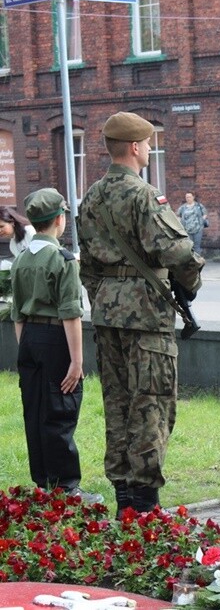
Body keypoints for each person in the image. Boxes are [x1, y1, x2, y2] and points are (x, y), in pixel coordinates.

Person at [77, 111, 204, 516]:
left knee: (117, 405)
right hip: (147, 317)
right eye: (147, 143)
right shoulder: (144, 195)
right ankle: (146, 506)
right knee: (151, 405)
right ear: (134, 147)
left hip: (106, 317)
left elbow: (87, 268)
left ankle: (124, 503)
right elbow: (179, 253)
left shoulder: (91, 198)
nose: (149, 149)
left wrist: (107, 298)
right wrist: (191, 284)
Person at [10, 188, 101, 503]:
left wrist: (27, 349)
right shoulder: (63, 259)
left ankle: (43, 482)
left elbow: (17, 313)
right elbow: (71, 314)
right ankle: (66, 487)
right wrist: (77, 361)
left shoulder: (21, 259)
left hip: (29, 339)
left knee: (35, 410)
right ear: (60, 219)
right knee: (61, 410)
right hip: (56, 338)